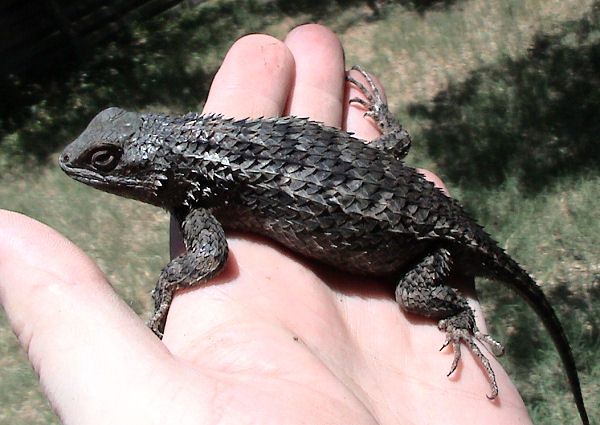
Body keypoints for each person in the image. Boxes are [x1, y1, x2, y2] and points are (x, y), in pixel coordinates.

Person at [0, 24, 531, 424]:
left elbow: (207, 258)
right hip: (393, 192)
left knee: (417, 299)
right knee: (383, 153)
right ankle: (387, 139)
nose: (83, 168)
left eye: (107, 161)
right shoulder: (201, 177)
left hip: (425, 248)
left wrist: (165, 286)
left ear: (151, 163)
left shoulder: (198, 197)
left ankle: (456, 315)